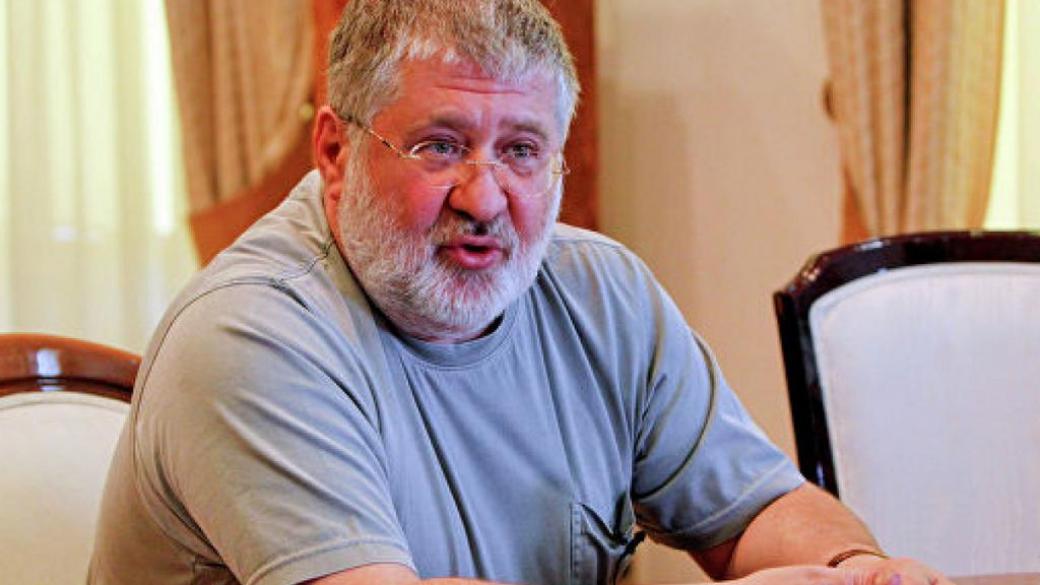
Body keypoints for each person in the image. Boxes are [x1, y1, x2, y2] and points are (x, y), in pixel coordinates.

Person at [90, 2, 951, 585]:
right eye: (439, 145)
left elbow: (759, 509)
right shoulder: (250, 334)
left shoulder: (602, 292)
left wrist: (854, 571)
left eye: (522, 151)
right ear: (334, 152)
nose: (485, 196)